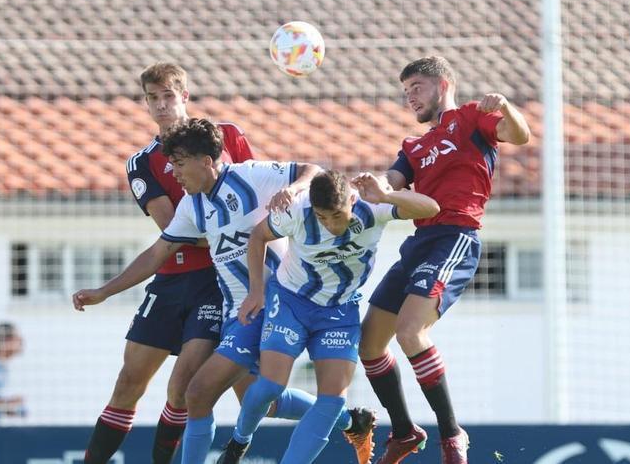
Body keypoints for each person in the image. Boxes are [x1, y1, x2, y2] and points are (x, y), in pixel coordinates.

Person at [72, 119, 372, 464]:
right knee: (258, 401)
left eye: (180, 164)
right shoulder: (191, 206)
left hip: (275, 303)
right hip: (236, 312)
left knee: (197, 392)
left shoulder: (251, 176)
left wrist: (294, 188)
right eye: (171, 164)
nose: (174, 172)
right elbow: (158, 253)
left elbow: (311, 170)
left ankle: (342, 419)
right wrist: (105, 291)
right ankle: (352, 420)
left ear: (206, 161)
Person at [358, 56, 531, 464]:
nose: (410, 98)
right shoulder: (413, 145)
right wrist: (369, 187)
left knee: (410, 332)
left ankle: (452, 435)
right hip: (419, 243)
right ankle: (403, 432)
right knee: (368, 346)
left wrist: (505, 105)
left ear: (443, 84)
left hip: (455, 237)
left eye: (416, 87)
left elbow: (519, 136)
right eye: (405, 93)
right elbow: (392, 181)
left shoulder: (472, 117)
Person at [80, 63, 254, 464]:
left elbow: (253, 193)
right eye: (152, 99)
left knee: (184, 386)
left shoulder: (227, 136)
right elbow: (170, 228)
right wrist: (106, 291)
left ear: (185, 97)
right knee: (128, 383)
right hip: (171, 280)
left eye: (168, 97)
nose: (161, 106)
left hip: (219, 281)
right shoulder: (143, 162)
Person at [227, 170, 439, 464]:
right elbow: (259, 235)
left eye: (336, 217)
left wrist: (387, 195)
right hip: (291, 301)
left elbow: (432, 208)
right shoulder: (297, 210)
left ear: (351, 201)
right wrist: (255, 291)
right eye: (322, 218)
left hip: (339, 311)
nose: (329, 225)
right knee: (269, 388)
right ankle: (238, 443)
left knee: (333, 400)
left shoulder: (372, 206)